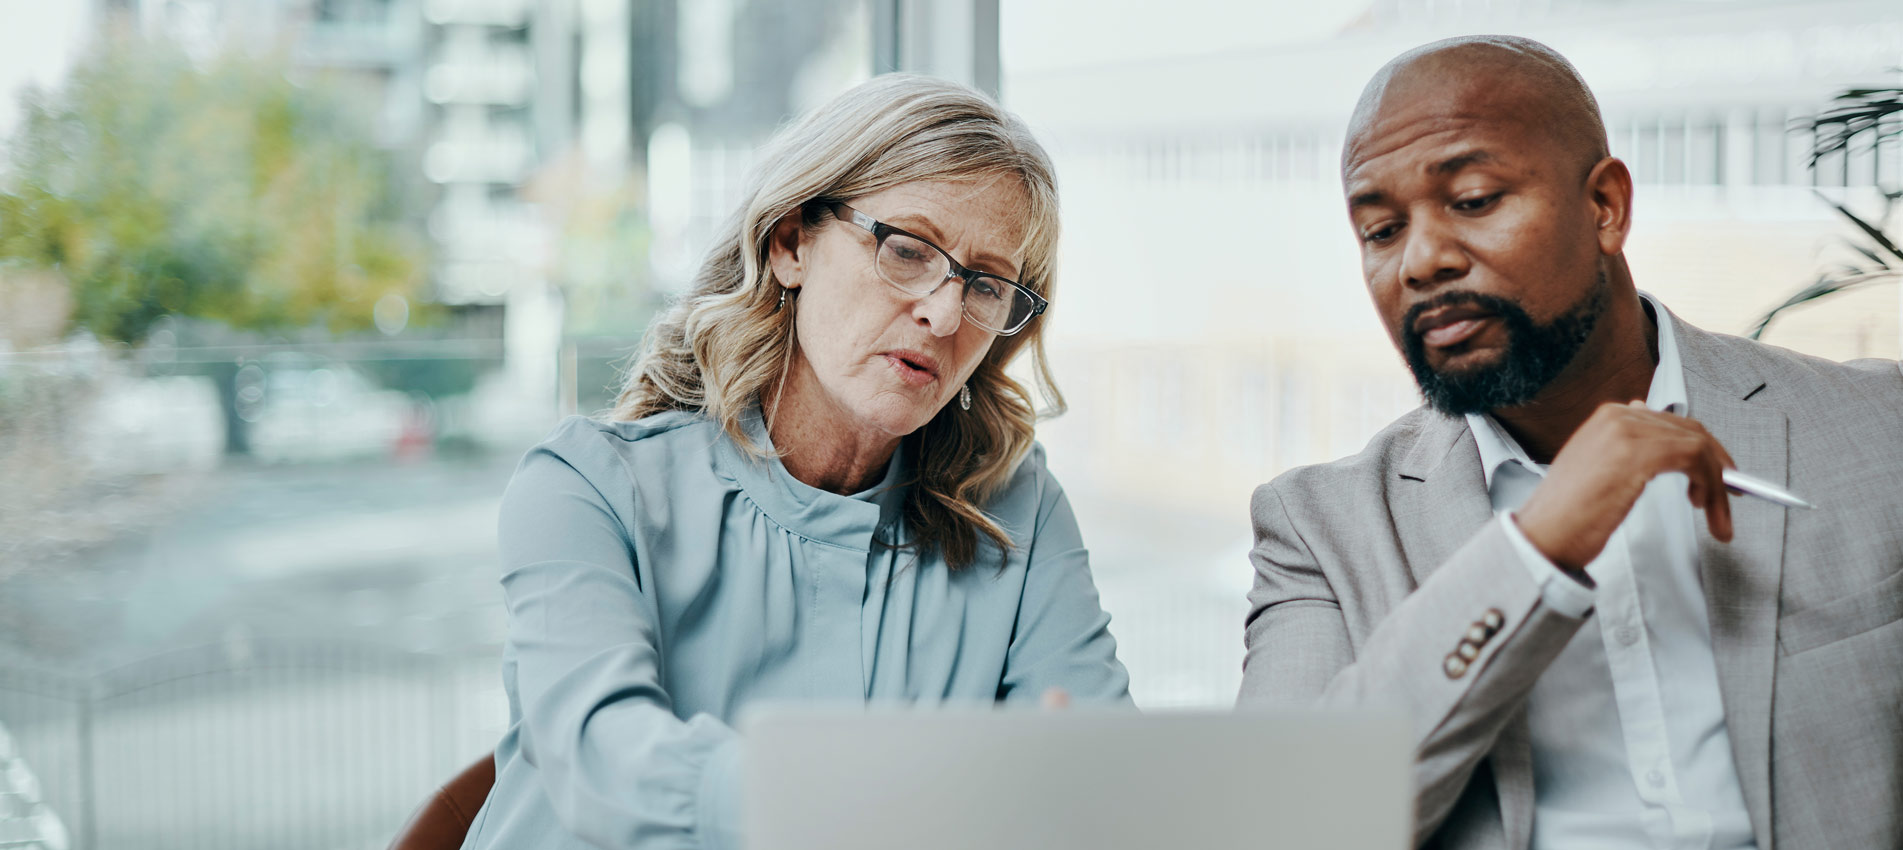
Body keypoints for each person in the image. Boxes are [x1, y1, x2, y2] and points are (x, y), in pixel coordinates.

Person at [1238, 35, 1903, 850]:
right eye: (1379, 230)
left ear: (1604, 208)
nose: (1420, 260)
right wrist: (1537, 545)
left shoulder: (1879, 428)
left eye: (1473, 198)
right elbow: (1275, 819)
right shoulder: (1319, 528)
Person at [462, 75, 1130, 850]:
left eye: (985, 284)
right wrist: (892, 801)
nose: (943, 314)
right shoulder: (587, 487)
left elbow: (1095, 781)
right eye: (908, 250)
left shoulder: (1017, 509)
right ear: (789, 244)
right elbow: (604, 762)